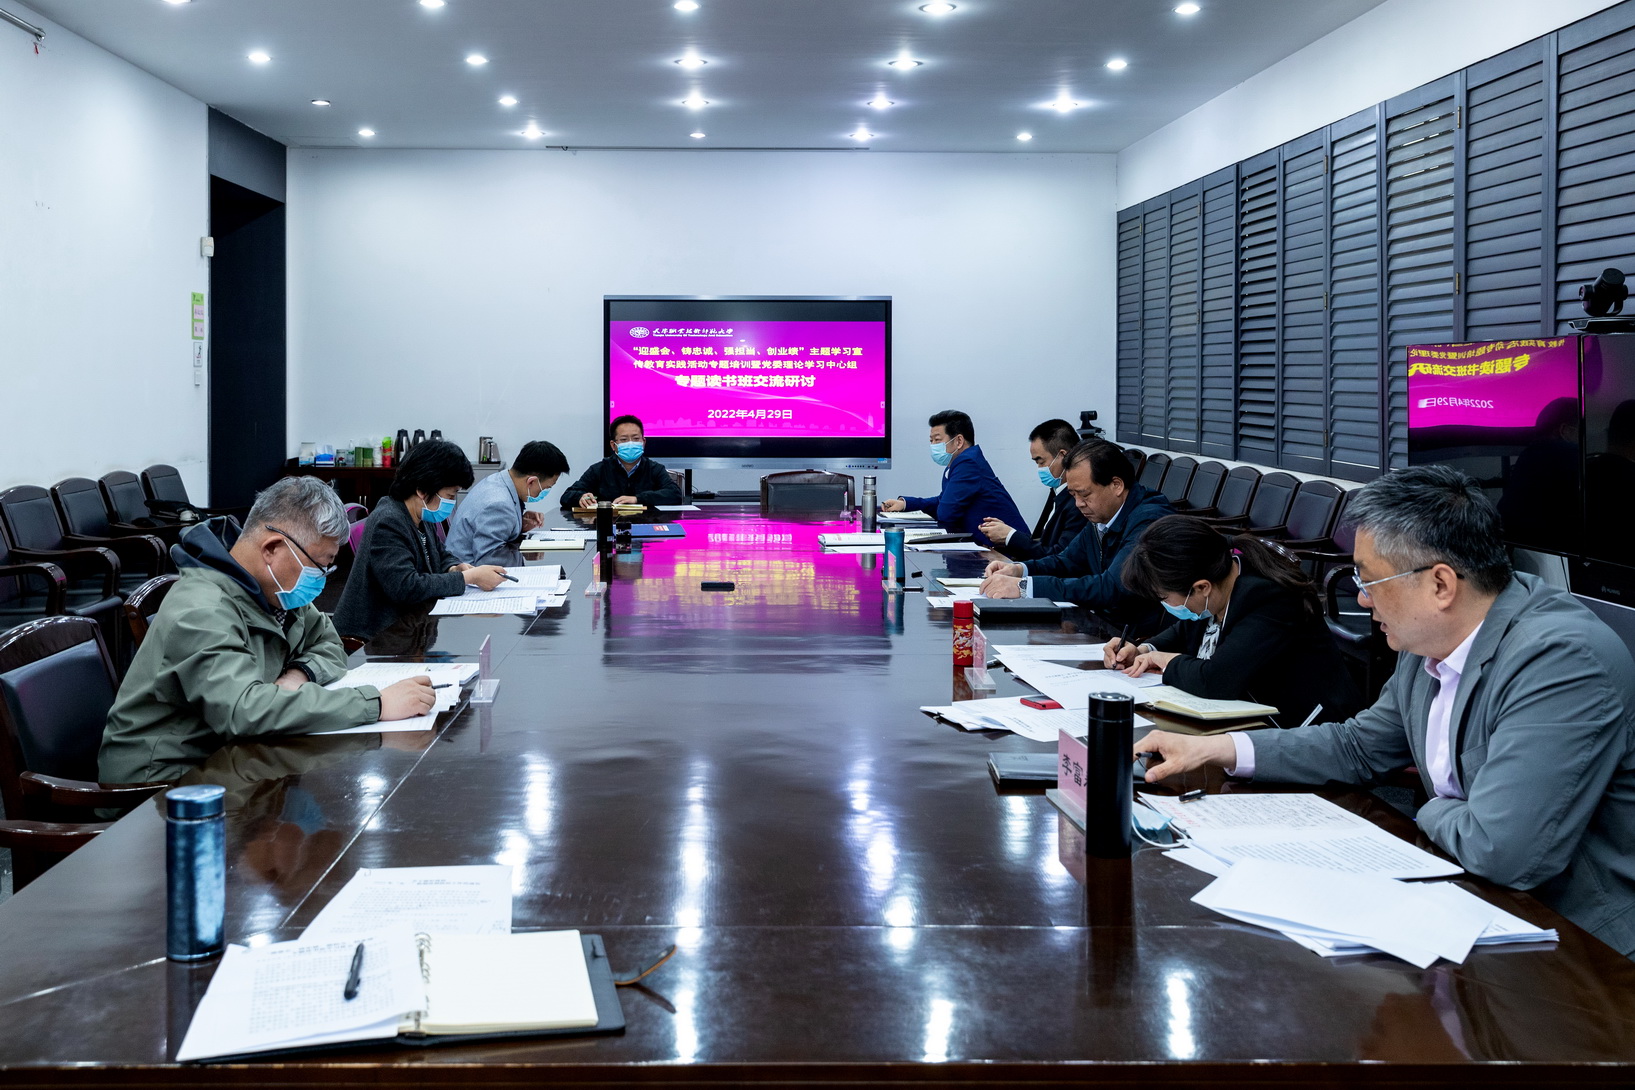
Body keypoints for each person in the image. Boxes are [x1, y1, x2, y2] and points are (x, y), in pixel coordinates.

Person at [1134, 465, 1635, 957]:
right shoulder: (1428, 638)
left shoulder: (1559, 660)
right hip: (1468, 897)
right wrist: (1217, 748)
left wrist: (1427, 810)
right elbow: (1358, 745)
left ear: (1440, 585)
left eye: (1370, 580)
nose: (1360, 597)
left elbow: (1499, 850)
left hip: (1577, 942)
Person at [99, 476, 440, 784]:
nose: (321, 579)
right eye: (319, 566)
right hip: (164, 782)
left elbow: (329, 641)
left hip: (233, 754)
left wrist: (299, 674)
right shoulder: (202, 609)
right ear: (272, 548)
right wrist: (376, 704)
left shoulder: (274, 590)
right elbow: (245, 711)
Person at [1108, 514, 1362, 727]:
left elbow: (1214, 681)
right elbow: (1185, 629)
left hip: (1307, 728)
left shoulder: (1270, 598)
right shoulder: (1218, 579)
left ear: (1202, 587)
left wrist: (1166, 661)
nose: (1164, 604)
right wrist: (1144, 650)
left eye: (1164, 597)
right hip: (1249, 716)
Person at [980, 439, 1173, 627]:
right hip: (1100, 621)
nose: (1079, 503)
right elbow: (1067, 561)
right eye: (1073, 495)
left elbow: (1111, 587)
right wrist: (1020, 569)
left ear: (1116, 485)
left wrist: (1025, 587)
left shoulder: (1149, 521)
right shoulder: (1102, 514)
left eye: (1085, 494)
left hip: (1134, 634)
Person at [333, 438, 508, 642]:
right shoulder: (389, 521)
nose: (452, 502)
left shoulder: (420, 514)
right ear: (422, 490)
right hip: (374, 637)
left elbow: (439, 553)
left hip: (408, 627)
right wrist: (469, 578)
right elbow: (406, 587)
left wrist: (454, 567)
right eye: (450, 495)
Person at [880, 409, 1026, 538]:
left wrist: (933, 506)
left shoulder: (968, 463)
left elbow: (946, 513)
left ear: (959, 441)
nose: (933, 445)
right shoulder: (958, 462)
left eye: (937, 440)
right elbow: (943, 500)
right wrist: (905, 504)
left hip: (1006, 551)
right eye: (931, 441)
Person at [978, 418, 1088, 561]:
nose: (1039, 468)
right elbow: (1043, 544)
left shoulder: (1078, 503)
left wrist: (1010, 536)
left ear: (1063, 456)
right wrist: (1004, 537)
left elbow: (1060, 558)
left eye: (1041, 461)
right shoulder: (1057, 491)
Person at [445, 440, 570, 563]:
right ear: (531, 481)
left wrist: (519, 524)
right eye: (546, 488)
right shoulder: (499, 504)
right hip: (469, 573)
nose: (544, 492)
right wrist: (524, 551)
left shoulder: (498, 481)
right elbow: (491, 562)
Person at [562, 415, 684, 510]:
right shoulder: (599, 469)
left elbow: (675, 495)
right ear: (613, 445)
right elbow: (567, 495)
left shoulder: (654, 469)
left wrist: (637, 499)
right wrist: (580, 497)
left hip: (646, 525)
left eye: (636, 439)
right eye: (624, 439)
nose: (630, 443)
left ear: (643, 442)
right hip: (609, 527)